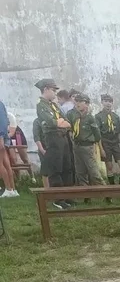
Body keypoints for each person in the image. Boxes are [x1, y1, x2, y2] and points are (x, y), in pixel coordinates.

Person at [35, 78, 73, 209]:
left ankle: (67, 196)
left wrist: (61, 123)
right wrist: (60, 123)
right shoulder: (41, 105)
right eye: (53, 90)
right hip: (52, 138)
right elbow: (51, 122)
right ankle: (58, 198)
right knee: (56, 168)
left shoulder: (54, 105)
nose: (55, 93)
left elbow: (67, 121)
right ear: (45, 89)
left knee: (67, 167)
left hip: (63, 138)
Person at [67, 94, 105, 186]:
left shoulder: (90, 118)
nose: (78, 103)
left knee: (93, 171)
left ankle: (105, 191)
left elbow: (97, 135)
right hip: (76, 146)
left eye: (81, 101)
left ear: (87, 104)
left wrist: (96, 146)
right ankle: (85, 195)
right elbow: (70, 127)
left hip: (87, 146)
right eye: (77, 101)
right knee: (80, 172)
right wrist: (71, 135)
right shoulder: (72, 114)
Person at [95, 94, 120, 186]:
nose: (108, 104)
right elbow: (98, 134)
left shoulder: (115, 116)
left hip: (115, 143)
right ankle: (112, 186)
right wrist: (101, 149)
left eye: (110, 101)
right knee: (109, 166)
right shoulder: (98, 116)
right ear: (102, 102)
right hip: (105, 143)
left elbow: (119, 133)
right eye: (106, 101)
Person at [0, 100, 17, 197]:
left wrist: (1, 136)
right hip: (3, 135)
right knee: (6, 163)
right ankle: (13, 189)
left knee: (0, 164)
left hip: (0, 136)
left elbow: (2, 121)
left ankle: (8, 189)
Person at [33, 117, 48, 187]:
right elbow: (37, 137)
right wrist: (42, 150)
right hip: (44, 148)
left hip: (55, 148)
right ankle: (47, 190)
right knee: (45, 170)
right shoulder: (37, 121)